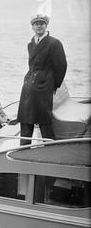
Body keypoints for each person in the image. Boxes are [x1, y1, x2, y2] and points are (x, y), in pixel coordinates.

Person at [17, 14, 67, 145]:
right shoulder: (31, 43)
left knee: (43, 118)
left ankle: (50, 146)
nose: (39, 26)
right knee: (25, 117)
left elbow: (61, 66)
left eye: (42, 23)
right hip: (29, 84)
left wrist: (54, 85)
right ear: (32, 26)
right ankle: (23, 148)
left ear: (46, 25)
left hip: (44, 85)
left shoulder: (54, 43)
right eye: (36, 24)